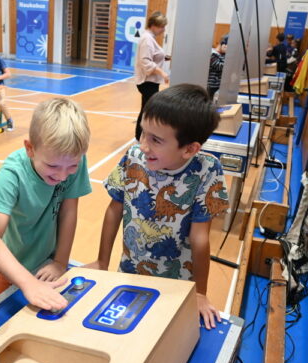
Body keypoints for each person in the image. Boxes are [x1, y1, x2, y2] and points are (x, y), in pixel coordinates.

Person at [86, 84, 229, 330]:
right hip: (128, 273)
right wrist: (101, 261)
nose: (144, 145)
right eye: (143, 133)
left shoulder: (208, 169)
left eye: (156, 140)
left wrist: (200, 293)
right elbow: (114, 209)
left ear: (190, 149)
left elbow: (200, 237)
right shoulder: (133, 157)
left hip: (178, 285)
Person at [0, 98, 92, 310]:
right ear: (30, 148)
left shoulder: (71, 160)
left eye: (72, 166)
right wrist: (27, 282)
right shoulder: (12, 174)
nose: (62, 175)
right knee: (4, 324)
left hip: (48, 264)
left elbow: (69, 211)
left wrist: (60, 261)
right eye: (52, 165)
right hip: (11, 268)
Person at [134, 11, 169, 141]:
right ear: (154, 25)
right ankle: (140, 137)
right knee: (148, 111)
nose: (163, 29)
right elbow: (145, 61)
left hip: (151, 82)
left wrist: (166, 57)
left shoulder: (150, 38)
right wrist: (162, 72)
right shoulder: (147, 39)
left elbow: (154, 55)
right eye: (162, 26)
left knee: (146, 110)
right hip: (147, 82)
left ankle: (140, 136)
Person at [207, 35, 228, 99]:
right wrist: (226, 54)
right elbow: (222, 67)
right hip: (211, 86)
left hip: (218, 85)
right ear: (223, 44)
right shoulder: (212, 54)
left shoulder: (222, 55)